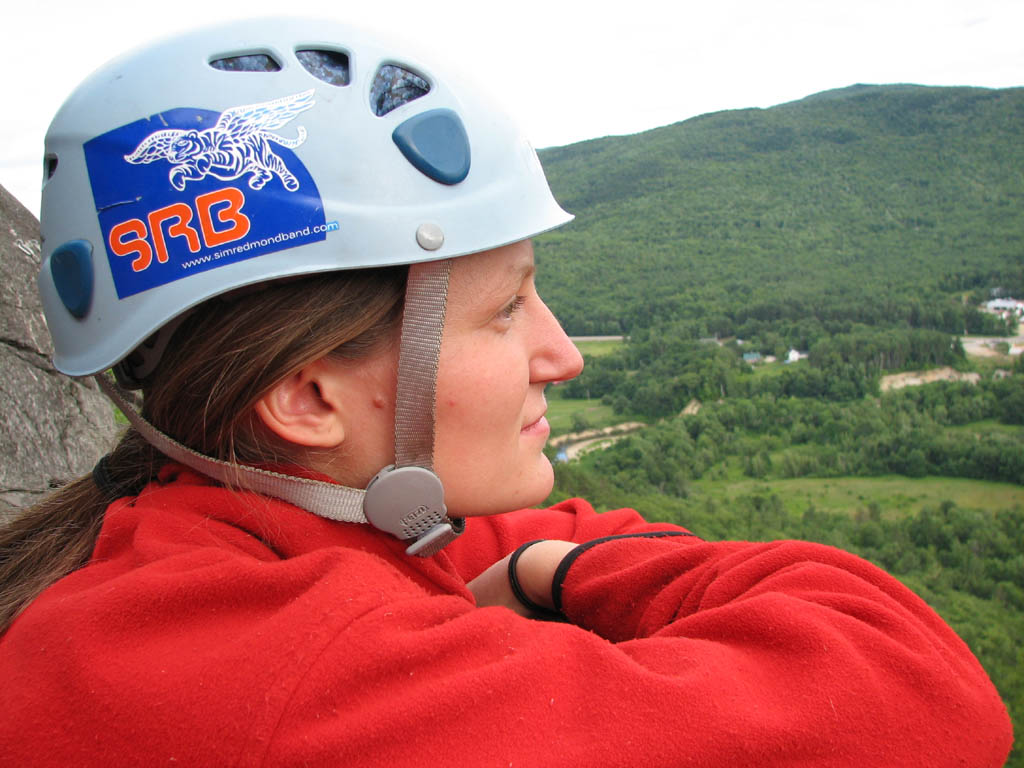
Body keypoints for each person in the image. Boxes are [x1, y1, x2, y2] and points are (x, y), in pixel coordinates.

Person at [0, 17, 1012, 767]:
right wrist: (560, 572)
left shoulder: (217, 554)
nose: (562, 354)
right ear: (307, 398)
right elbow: (919, 695)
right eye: (504, 310)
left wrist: (536, 560)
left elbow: (511, 544)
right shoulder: (289, 683)